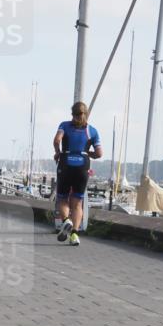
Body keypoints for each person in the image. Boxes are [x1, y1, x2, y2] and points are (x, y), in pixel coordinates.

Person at [53, 101, 103, 247]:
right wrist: (89, 154)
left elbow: (57, 140)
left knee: (62, 198)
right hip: (82, 166)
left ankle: (65, 221)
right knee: (77, 203)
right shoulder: (92, 131)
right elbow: (99, 153)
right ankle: (74, 234)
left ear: (72, 114)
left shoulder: (64, 125)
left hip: (66, 162)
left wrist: (58, 153)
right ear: (86, 114)